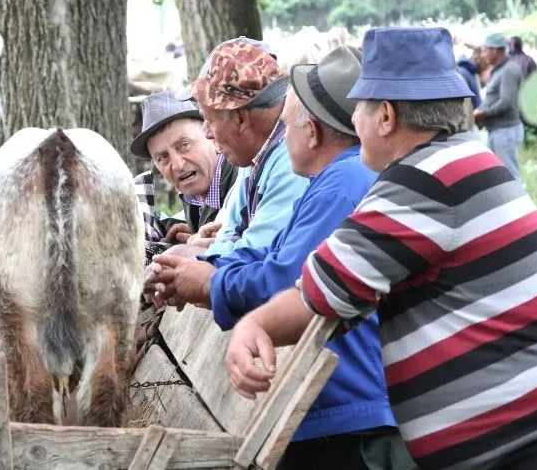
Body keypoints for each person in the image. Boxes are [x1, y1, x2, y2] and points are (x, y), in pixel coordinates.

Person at [224, 26, 537, 470]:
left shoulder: (422, 181)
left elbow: (319, 296)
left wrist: (254, 328)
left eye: (360, 108)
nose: (353, 122)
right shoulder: (466, 159)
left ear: (385, 116)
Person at [147, 46, 415, 469]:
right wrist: (211, 268)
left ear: (311, 133)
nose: (279, 136)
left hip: (351, 420)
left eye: (286, 125)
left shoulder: (342, 182)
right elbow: (268, 257)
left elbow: (287, 278)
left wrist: (208, 280)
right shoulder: (329, 182)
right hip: (334, 411)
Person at [173, 36, 309, 258]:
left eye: (210, 120)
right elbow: (231, 233)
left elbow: (254, 254)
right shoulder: (254, 151)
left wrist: (193, 253)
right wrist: (211, 247)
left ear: (240, 119)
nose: (206, 133)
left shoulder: (292, 159)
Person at [131, 91, 238, 259]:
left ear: (211, 136)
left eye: (184, 145)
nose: (178, 165)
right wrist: (193, 231)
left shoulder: (243, 180)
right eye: (163, 158)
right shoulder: (194, 199)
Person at [473, 33, 525, 185]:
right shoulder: (500, 69)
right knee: (499, 176)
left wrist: (483, 114)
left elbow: (506, 102)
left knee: (510, 175)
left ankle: (519, 207)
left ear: (496, 51)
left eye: (486, 50)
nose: (483, 54)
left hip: (505, 131)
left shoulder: (509, 70)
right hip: (498, 130)